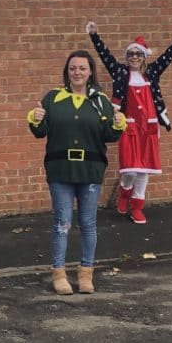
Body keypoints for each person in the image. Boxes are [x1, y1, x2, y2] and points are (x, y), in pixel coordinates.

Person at [28, 50, 126, 295]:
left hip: (90, 170)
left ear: (90, 71)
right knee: (62, 223)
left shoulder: (100, 100)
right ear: (67, 71)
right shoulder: (53, 98)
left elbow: (109, 136)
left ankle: (86, 274)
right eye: (73, 68)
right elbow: (40, 132)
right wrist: (37, 118)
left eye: (82, 68)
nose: (77, 72)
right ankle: (59, 274)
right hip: (60, 169)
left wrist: (117, 124)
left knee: (88, 224)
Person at [87, 18, 172, 224]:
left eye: (138, 54)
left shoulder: (152, 72)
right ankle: (125, 191)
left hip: (150, 126)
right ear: (127, 57)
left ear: (144, 57)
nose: (134, 57)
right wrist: (94, 35)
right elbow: (104, 54)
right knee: (130, 168)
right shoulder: (119, 72)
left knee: (144, 170)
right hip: (129, 125)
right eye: (131, 54)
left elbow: (170, 54)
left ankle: (137, 207)